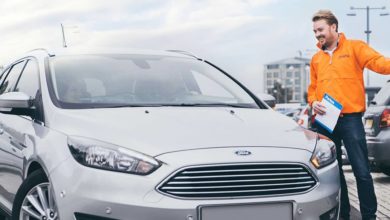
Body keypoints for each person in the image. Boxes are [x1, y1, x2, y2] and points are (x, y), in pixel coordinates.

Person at [308, 10, 390, 220]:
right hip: (326, 122)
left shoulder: (355, 47)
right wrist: (314, 102)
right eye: (315, 31)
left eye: (321, 29)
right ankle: (343, 215)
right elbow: (313, 88)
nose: (317, 34)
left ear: (334, 27)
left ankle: (369, 216)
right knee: (334, 173)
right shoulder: (316, 59)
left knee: (361, 171)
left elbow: (379, 63)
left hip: (351, 119)